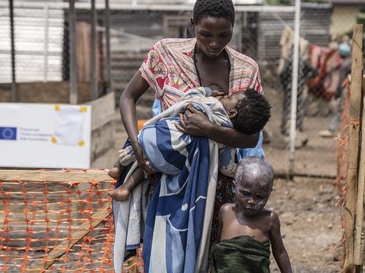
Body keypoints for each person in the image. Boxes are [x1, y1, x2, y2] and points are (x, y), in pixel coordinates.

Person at [112, 0, 264, 273]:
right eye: (206, 34)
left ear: (234, 27)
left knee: (207, 261)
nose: (215, 43)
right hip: (166, 182)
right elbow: (128, 97)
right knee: (165, 257)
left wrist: (208, 128)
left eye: (224, 35)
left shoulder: (247, 70)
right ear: (192, 23)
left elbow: (252, 136)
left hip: (219, 189)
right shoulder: (166, 54)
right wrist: (137, 145)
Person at [108, 87, 271, 202]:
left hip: (162, 137)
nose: (225, 96)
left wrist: (208, 91)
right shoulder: (226, 138)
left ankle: (118, 167)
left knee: (140, 143)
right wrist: (236, 170)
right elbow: (226, 166)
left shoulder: (212, 104)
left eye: (229, 98)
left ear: (232, 112)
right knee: (150, 167)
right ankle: (126, 189)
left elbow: (189, 96)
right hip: (174, 162)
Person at [210, 156, 292, 273]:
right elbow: (218, 249)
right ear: (234, 187)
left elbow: (280, 252)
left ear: (269, 193)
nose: (252, 201)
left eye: (260, 197)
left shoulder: (269, 219)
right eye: (246, 194)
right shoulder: (226, 211)